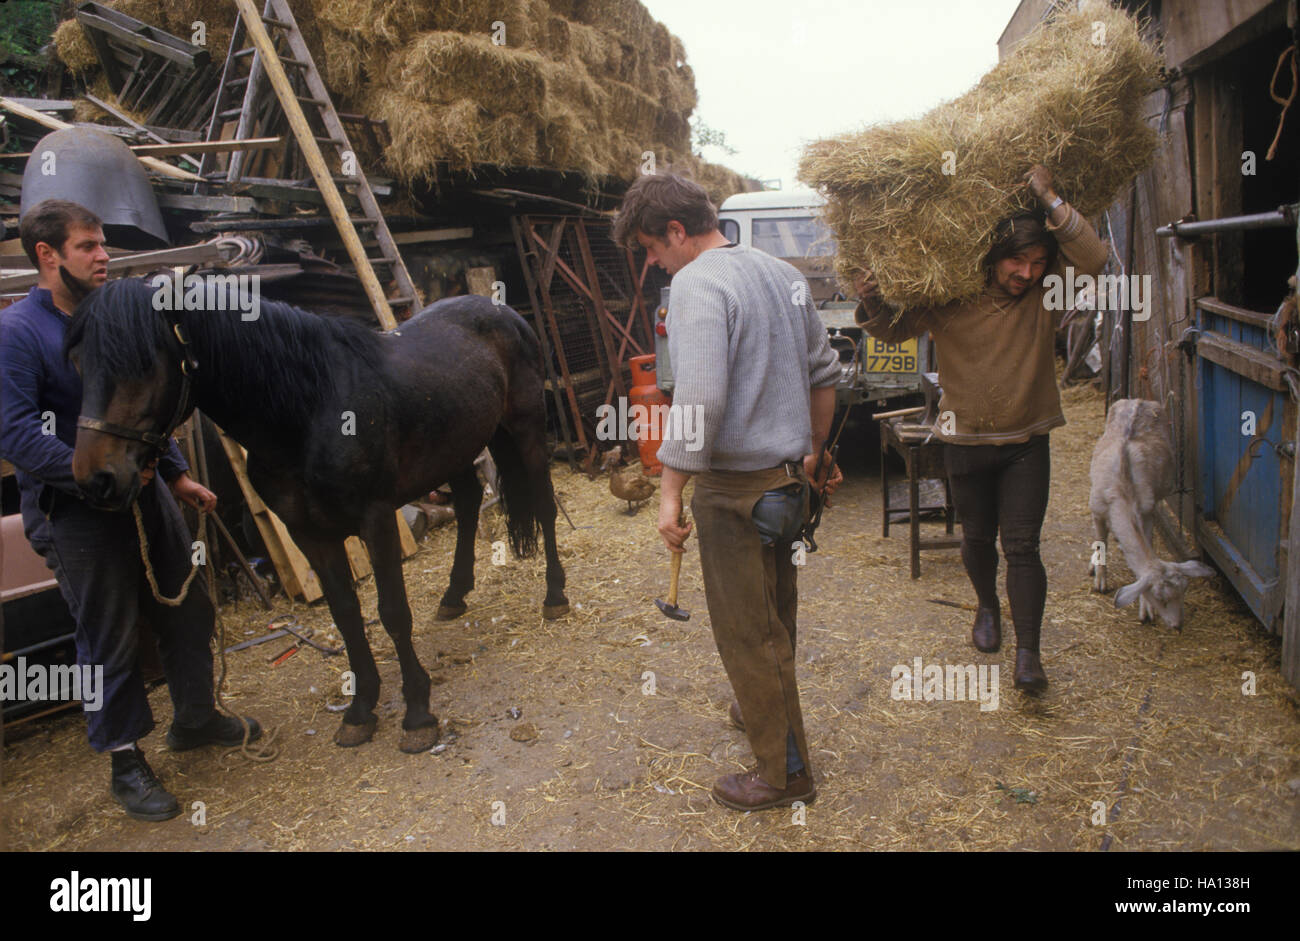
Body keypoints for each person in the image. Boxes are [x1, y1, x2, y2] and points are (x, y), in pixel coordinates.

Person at [0, 199, 261, 822]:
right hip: (75, 513)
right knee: (108, 636)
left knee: (188, 607)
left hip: (143, 495)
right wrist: (84, 475)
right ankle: (125, 761)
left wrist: (175, 475)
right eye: (87, 246)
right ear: (47, 255)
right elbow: (13, 432)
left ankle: (195, 718)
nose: (103, 256)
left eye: (101, 244)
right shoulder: (18, 334)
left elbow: (137, 409)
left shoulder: (106, 315)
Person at [614, 174, 842, 811]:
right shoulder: (778, 271)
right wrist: (816, 454)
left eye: (652, 250)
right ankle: (761, 709)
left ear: (677, 232)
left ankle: (784, 773)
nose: (654, 263)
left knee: (748, 631)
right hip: (787, 483)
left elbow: (700, 399)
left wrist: (668, 492)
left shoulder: (696, 283)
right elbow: (825, 372)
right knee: (777, 614)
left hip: (736, 491)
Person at [855, 165, 1109, 692]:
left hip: (1026, 443)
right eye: (1017, 260)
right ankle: (987, 607)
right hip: (964, 440)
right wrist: (874, 299)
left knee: (1023, 547)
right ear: (993, 256)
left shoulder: (1045, 294)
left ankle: (1029, 656)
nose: (1028, 272)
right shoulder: (951, 297)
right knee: (976, 537)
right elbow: (894, 331)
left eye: (1038, 262)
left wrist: (1049, 194)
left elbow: (1096, 258)